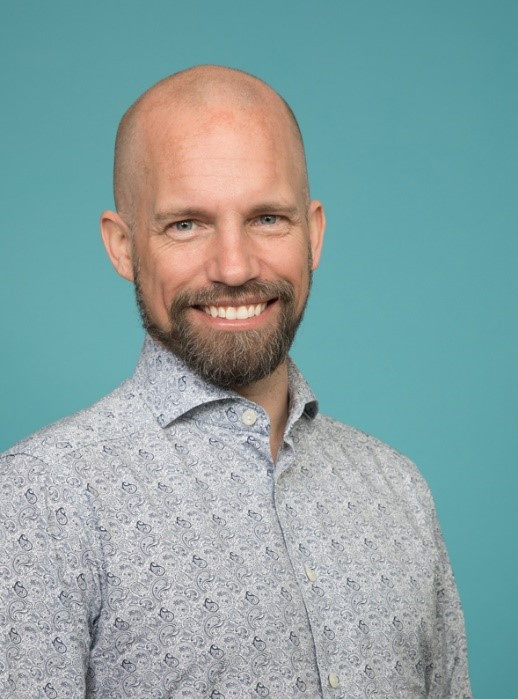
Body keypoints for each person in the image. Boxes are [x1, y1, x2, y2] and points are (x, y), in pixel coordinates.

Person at [0, 65, 471, 698]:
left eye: (268, 218)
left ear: (314, 234)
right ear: (123, 246)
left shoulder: (398, 491)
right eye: (186, 224)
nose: (233, 266)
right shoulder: (40, 501)